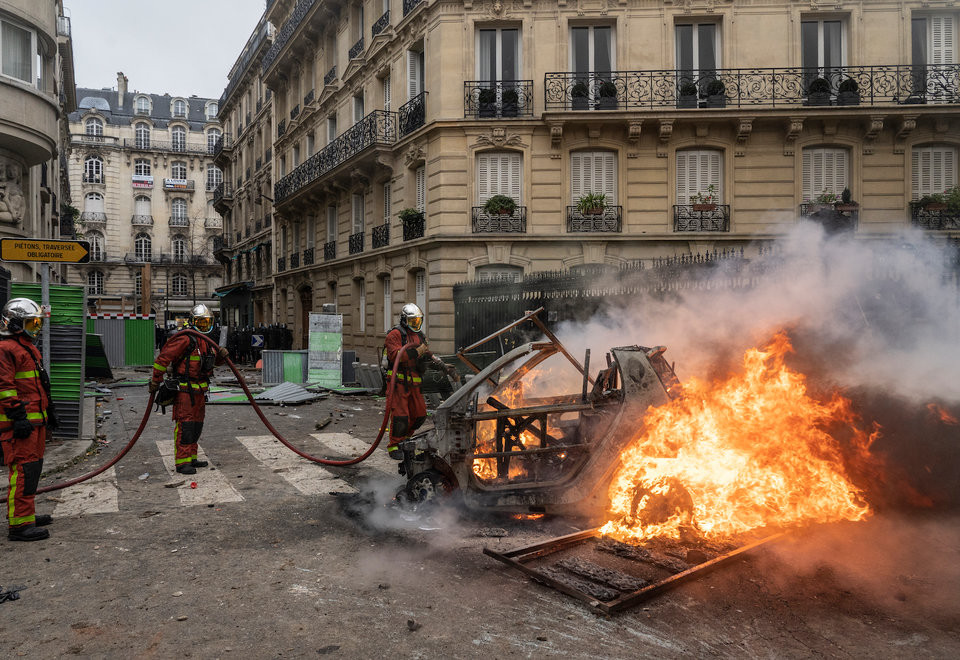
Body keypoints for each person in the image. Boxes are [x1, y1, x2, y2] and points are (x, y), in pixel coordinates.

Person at [0, 298, 56, 541]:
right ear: (13, 324)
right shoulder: (6, 349)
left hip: (35, 421)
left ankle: (25, 515)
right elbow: (4, 387)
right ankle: (19, 526)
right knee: (23, 470)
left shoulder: (26, 348)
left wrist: (49, 413)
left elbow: (37, 385)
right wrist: (17, 416)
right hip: (20, 423)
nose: (36, 328)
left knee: (32, 469)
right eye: (31, 323)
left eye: (37, 323)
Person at [149, 304, 229, 475]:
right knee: (185, 425)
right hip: (185, 390)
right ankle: (182, 462)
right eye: (200, 323)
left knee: (196, 426)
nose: (203, 326)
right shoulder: (185, 339)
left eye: (207, 323)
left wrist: (222, 357)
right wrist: (156, 380)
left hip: (200, 390)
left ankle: (192, 457)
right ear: (192, 322)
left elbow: (211, 364)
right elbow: (163, 359)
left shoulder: (207, 342)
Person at [384, 303, 456, 460]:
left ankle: (405, 439)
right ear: (405, 320)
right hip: (398, 382)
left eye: (418, 321)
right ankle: (394, 445)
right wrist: (417, 351)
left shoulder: (419, 336)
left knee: (420, 415)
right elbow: (396, 356)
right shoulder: (395, 335)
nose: (416, 324)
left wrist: (440, 365)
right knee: (400, 416)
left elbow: (426, 355)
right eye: (413, 321)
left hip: (415, 383)